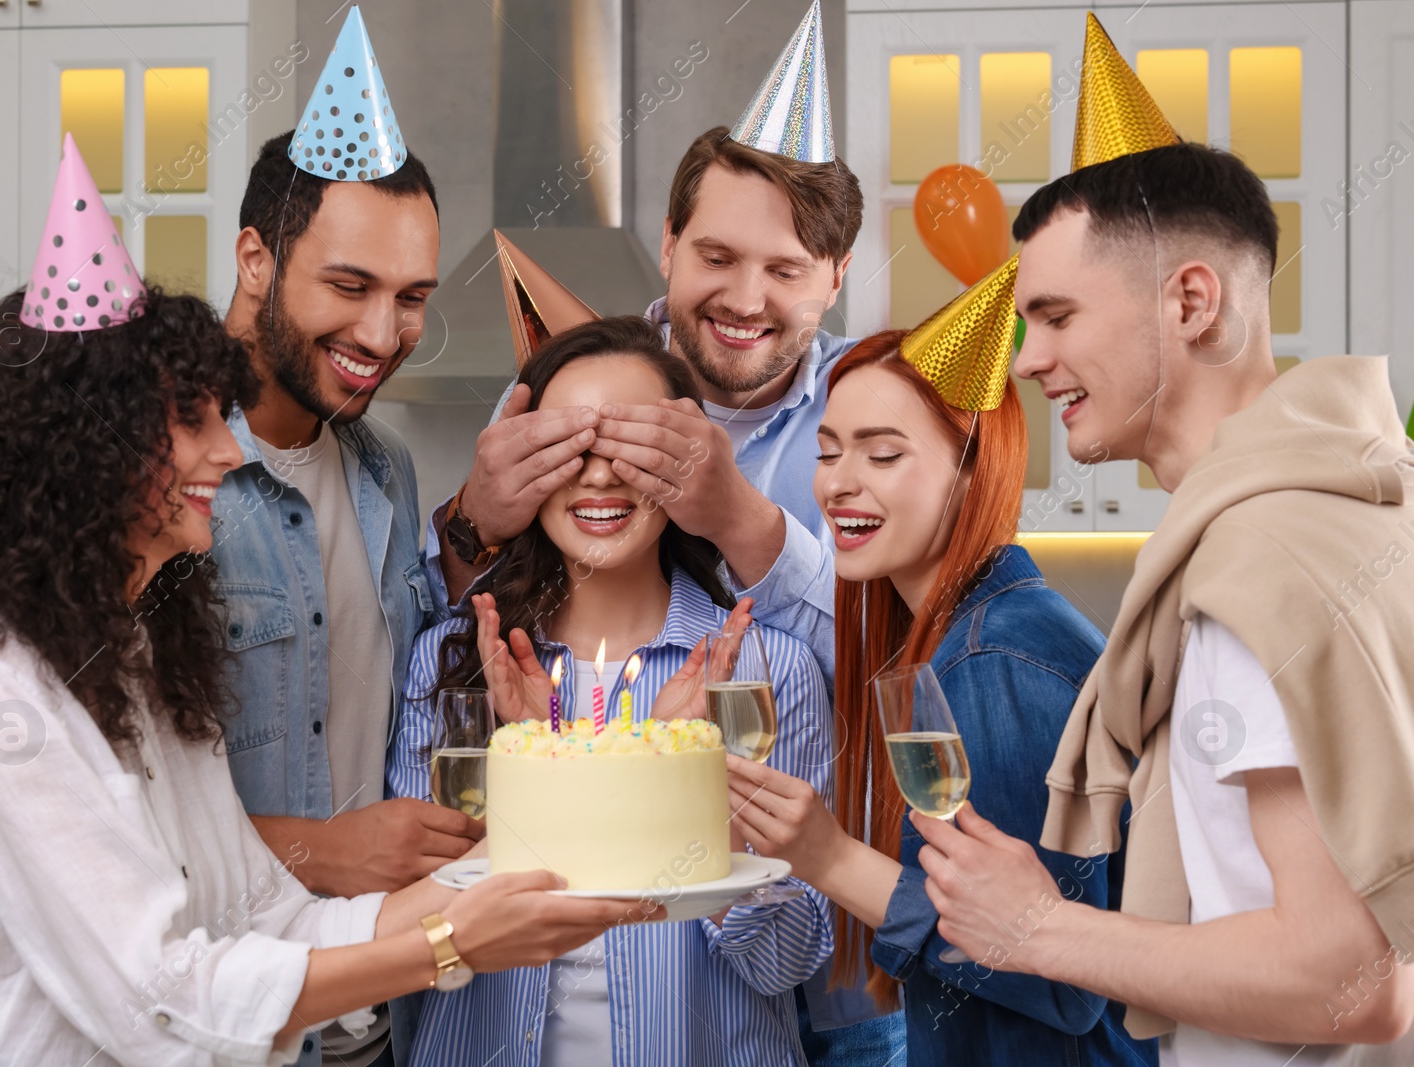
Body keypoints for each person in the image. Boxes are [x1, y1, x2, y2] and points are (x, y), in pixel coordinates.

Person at [0, 151, 646, 1063]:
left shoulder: (146, 658)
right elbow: (158, 1001)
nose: (227, 454)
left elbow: (270, 912)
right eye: (189, 421)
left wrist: (525, 872)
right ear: (81, 451)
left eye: (412, 293)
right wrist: (449, 943)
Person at [908, 16, 1414, 1066]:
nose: (1026, 361)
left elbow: (1353, 981)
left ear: (1190, 300)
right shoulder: (1360, 507)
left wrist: (1041, 928)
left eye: (1053, 316)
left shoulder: (1256, 563)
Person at [428, 5, 894, 1057]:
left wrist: (743, 524)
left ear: (836, 272)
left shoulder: (876, 418)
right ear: (670, 241)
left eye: (786, 269)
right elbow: (436, 630)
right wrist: (468, 523)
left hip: (838, 970)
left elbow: (893, 656)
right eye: (717, 254)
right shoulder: (566, 380)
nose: (744, 297)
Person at [722, 289, 1157, 1063]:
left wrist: (827, 857)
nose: (839, 483)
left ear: (970, 470)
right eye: (828, 451)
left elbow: (1059, 981)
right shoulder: (957, 641)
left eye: (882, 454)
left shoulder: (998, 665)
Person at [388, 316, 834, 1067]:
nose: (600, 476)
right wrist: (545, 764)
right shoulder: (456, 662)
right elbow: (416, 950)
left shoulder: (765, 672)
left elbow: (790, 961)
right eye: (570, 449)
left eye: (633, 449)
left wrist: (685, 779)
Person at [213, 14, 463, 1063]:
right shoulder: (149, 476)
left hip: (370, 1023)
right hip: (225, 1021)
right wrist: (325, 849)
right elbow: (90, 823)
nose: (380, 335)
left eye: (411, 299)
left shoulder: (384, 469)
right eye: (350, 286)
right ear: (256, 259)